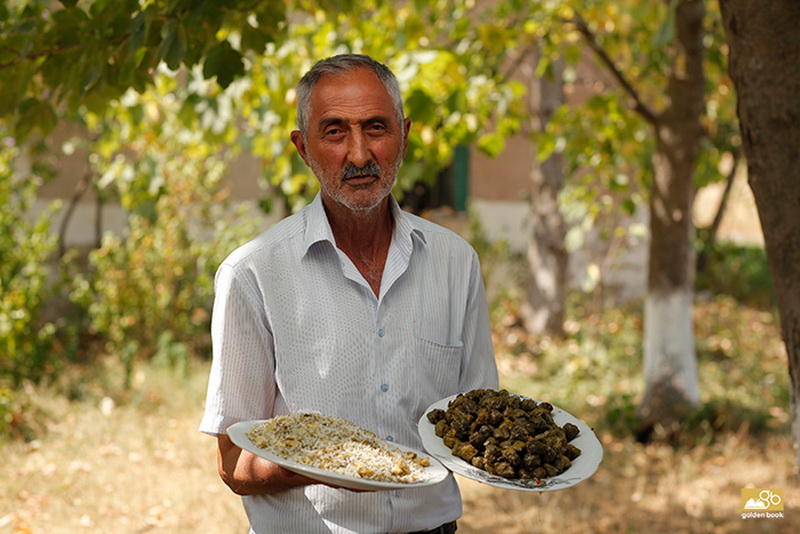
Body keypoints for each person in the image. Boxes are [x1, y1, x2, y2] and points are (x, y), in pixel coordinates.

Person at [199, 53, 498, 534]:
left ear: (404, 134)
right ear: (303, 147)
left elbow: (477, 417)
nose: (359, 155)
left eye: (376, 128)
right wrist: (328, 463)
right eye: (335, 131)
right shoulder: (253, 272)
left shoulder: (455, 262)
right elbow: (233, 462)